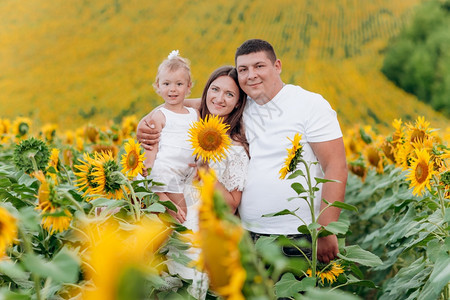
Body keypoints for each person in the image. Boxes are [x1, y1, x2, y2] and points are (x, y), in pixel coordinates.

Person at [138, 39, 347, 264]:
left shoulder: (309, 104)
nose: (251, 75)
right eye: (243, 69)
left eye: (259, 66)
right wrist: (150, 119)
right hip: (248, 237)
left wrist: (326, 229)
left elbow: (336, 165)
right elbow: (195, 103)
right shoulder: (244, 105)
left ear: (277, 66)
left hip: (297, 234)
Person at [138, 65, 250, 299]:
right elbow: (172, 107)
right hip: (172, 217)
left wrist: (208, 175)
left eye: (229, 94)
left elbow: (231, 205)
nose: (219, 98)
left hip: (203, 230)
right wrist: (148, 121)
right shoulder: (195, 123)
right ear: (205, 91)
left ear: (239, 103)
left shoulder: (236, 146)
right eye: (215, 90)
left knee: (192, 289)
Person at [141, 50, 198, 223]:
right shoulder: (160, 115)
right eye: (166, 84)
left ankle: (161, 200)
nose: (172, 89)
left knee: (177, 216)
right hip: (163, 170)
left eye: (179, 84)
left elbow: (195, 142)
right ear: (157, 86)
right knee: (182, 214)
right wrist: (148, 164)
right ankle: (159, 195)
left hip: (181, 173)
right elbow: (151, 143)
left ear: (188, 87)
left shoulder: (194, 114)